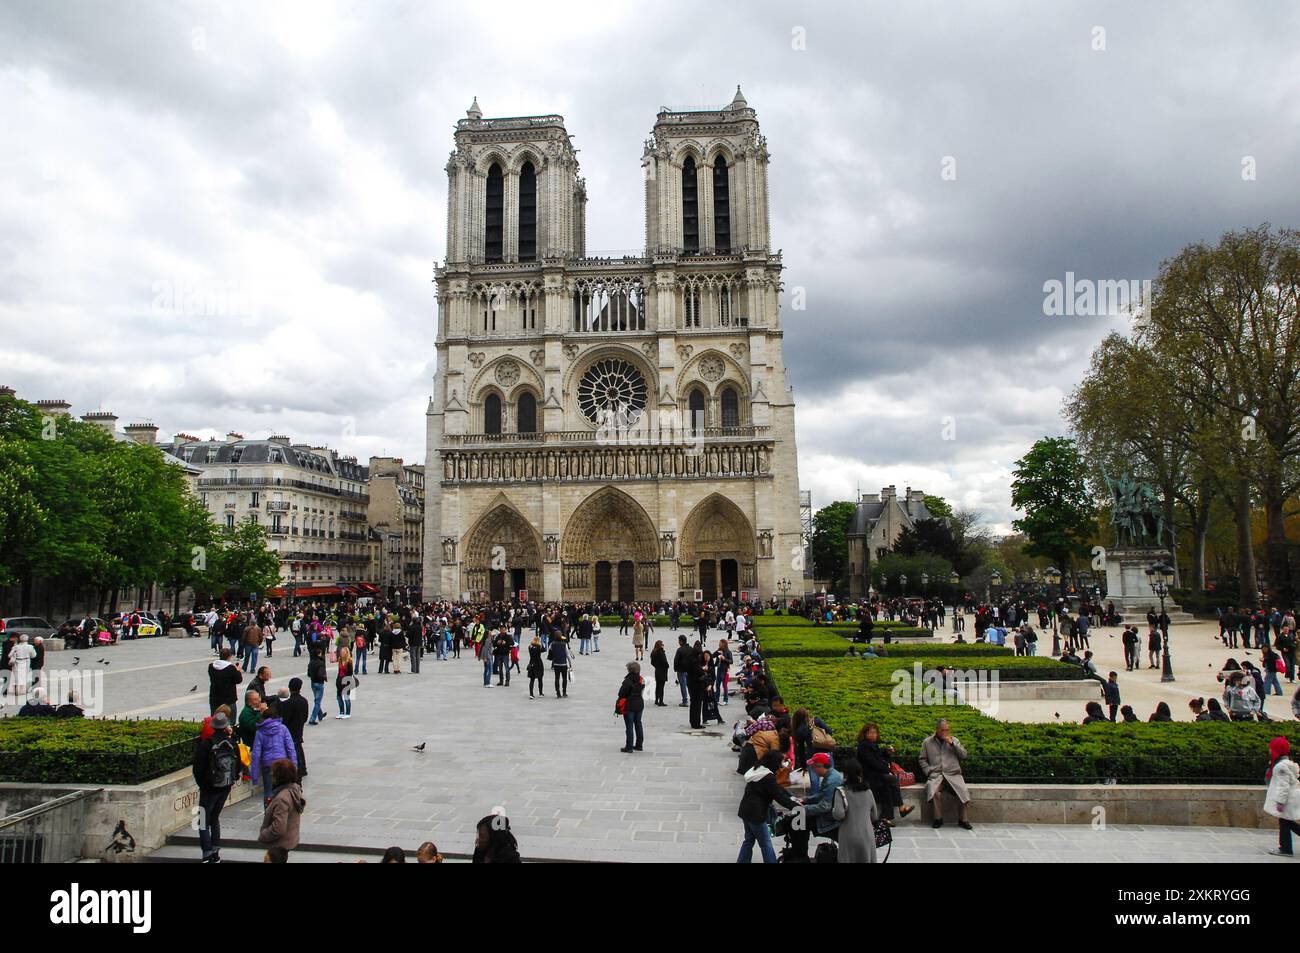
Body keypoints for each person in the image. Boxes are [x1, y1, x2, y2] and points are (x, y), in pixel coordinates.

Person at [736, 749, 798, 864]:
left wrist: (791, 797)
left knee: (749, 840)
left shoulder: (757, 770)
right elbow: (778, 796)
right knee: (765, 843)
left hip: (745, 810)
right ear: (773, 762)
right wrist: (795, 806)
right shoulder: (767, 777)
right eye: (779, 763)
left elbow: (777, 788)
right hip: (756, 814)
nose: (780, 766)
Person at [192, 711, 239, 863]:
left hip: (208, 788)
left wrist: (203, 784)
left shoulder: (206, 744)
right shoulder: (232, 744)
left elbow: (197, 769)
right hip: (225, 787)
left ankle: (207, 853)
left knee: (203, 820)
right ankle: (216, 852)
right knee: (215, 818)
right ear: (226, 727)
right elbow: (237, 766)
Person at [919, 718, 971, 830]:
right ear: (937, 729)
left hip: (953, 774)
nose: (945, 732)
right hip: (937, 775)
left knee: (963, 792)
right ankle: (938, 818)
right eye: (942, 730)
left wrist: (952, 745)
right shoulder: (927, 742)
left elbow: (964, 755)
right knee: (934, 792)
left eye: (947, 730)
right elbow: (922, 759)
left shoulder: (954, 740)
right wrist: (928, 770)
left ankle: (963, 820)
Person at [855, 722, 913, 822]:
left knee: (887, 786)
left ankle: (886, 817)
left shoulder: (872, 745)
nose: (873, 735)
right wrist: (887, 770)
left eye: (875, 732)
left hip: (877, 776)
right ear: (865, 734)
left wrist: (886, 753)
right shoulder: (864, 746)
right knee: (892, 779)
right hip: (870, 777)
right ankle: (901, 807)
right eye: (870, 732)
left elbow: (879, 758)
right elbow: (873, 762)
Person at [792, 752, 844, 858]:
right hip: (829, 813)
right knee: (799, 822)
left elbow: (825, 806)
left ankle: (800, 856)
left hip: (830, 818)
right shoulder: (830, 775)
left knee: (799, 822)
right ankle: (800, 855)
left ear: (820, 766)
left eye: (813, 766)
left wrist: (804, 809)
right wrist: (805, 800)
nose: (813, 770)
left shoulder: (831, 780)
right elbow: (821, 795)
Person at [832, 758, 881, 863]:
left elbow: (839, 814)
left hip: (848, 836)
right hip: (867, 835)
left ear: (845, 774)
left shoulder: (841, 791)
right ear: (860, 773)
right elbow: (874, 816)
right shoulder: (868, 791)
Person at [250, 697, 298, 804]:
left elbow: (256, 753)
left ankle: (268, 813)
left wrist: (254, 776)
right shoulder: (283, 728)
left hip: (267, 765)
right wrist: (294, 766)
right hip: (282, 764)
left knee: (268, 791)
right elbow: (290, 748)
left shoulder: (260, 731)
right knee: (283, 790)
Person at [258, 758, 305, 860]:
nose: (271, 776)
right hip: (287, 842)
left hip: (279, 845)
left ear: (279, 777)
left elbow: (278, 828)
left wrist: (264, 834)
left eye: (273, 774)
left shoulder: (282, 798)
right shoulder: (293, 790)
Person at [1265, 736, 1300, 857]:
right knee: (1286, 821)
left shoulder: (1280, 766)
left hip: (1287, 799)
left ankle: (1285, 849)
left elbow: (1283, 786)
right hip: (1290, 797)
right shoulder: (1287, 763)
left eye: (1271, 748)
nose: (1269, 750)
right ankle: (1285, 848)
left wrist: (1280, 802)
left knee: (1286, 822)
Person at [283, 677, 309, 779]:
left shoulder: (289, 702)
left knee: (295, 747)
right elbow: (305, 716)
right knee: (299, 745)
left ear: (290, 688)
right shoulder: (304, 700)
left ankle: (300, 768)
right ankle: (303, 767)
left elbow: (286, 718)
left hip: (291, 728)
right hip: (300, 726)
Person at [617, 661, 645, 753]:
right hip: (639, 704)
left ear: (630, 670)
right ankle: (639, 745)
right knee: (638, 724)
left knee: (629, 726)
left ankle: (629, 746)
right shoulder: (641, 679)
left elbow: (621, 693)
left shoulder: (627, 680)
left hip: (629, 705)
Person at [208, 648, 244, 716]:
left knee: (214, 718)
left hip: (214, 697)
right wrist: (238, 671)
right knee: (230, 720)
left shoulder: (211, 666)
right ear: (229, 656)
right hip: (228, 698)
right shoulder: (231, 668)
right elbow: (238, 680)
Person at [307, 647, 327, 725]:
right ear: (319, 654)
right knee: (318, 702)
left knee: (316, 699)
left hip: (313, 683)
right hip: (319, 683)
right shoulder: (321, 663)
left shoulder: (311, 662)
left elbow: (308, 674)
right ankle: (312, 719)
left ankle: (320, 714)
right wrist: (324, 678)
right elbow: (320, 674)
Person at [672, 635, 691, 707]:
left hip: (681, 670)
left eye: (679, 641)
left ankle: (685, 701)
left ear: (681, 641)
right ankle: (692, 698)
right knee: (689, 685)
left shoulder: (679, 650)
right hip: (689, 670)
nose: (678, 642)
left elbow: (676, 660)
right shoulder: (690, 649)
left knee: (683, 685)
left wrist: (675, 668)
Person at [649, 640, 669, 706]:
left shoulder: (654, 652)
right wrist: (667, 666)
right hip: (662, 671)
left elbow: (652, 662)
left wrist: (656, 666)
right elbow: (664, 661)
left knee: (658, 686)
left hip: (657, 670)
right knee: (661, 687)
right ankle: (661, 701)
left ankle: (656, 700)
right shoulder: (661, 652)